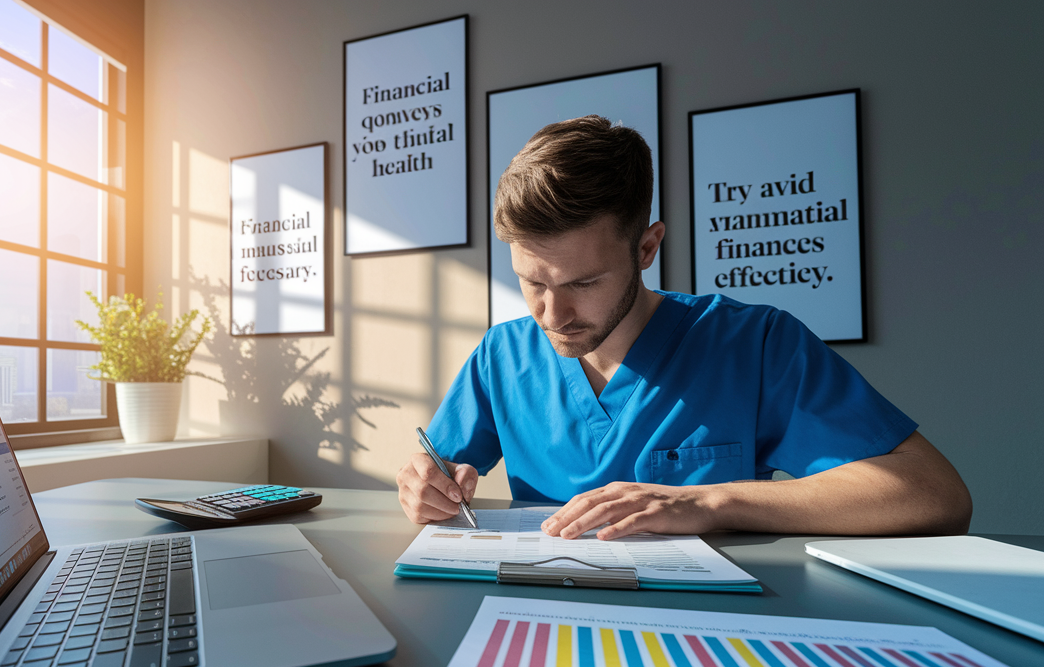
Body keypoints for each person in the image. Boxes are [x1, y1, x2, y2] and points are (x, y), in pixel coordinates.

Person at [396, 115, 971, 540]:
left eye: (584, 284)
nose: (552, 315)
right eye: (533, 283)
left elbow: (932, 493)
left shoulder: (756, 344)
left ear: (647, 247)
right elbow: (438, 473)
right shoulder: (503, 356)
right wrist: (423, 487)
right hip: (538, 614)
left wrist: (708, 501)